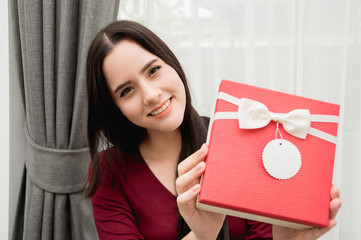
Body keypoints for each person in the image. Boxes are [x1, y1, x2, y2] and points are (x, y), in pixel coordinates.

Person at [84, 20, 342, 240]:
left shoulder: (235, 136)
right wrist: (201, 235)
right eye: (126, 90)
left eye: (153, 71)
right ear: (114, 106)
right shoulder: (109, 170)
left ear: (172, 64)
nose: (151, 95)